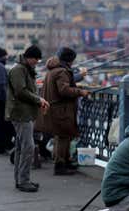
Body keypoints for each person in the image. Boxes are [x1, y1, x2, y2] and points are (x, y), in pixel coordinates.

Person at [35, 47, 89, 176]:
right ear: (69, 60)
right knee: (63, 137)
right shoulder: (62, 72)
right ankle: (60, 165)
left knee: (63, 136)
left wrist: (75, 87)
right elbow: (63, 90)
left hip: (56, 109)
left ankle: (65, 161)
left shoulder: (53, 70)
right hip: (61, 110)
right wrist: (80, 92)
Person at [6, 45, 49, 193]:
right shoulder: (19, 70)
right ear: (29, 57)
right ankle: (23, 181)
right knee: (28, 147)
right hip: (20, 113)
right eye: (35, 59)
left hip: (24, 112)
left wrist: (38, 100)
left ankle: (21, 179)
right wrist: (38, 100)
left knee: (21, 147)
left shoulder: (24, 69)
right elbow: (21, 91)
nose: (36, 62)